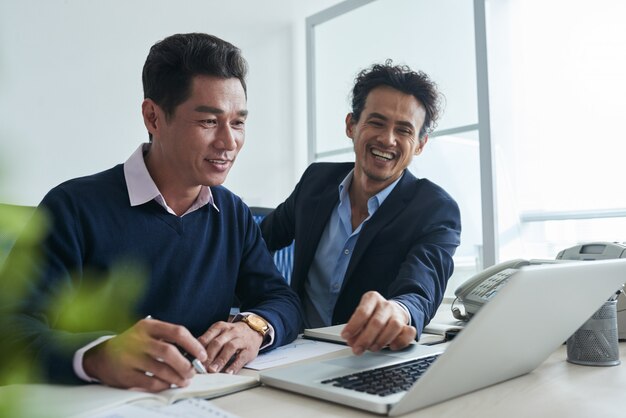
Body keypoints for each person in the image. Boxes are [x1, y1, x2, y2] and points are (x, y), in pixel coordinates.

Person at [1, 33, 302, 391]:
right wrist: (98, 356)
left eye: (238, 122)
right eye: (208, 121)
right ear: (153, 117)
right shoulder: (72, 208)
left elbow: (283, 300)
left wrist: (253, 328)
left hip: (207, 402)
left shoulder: (232, 213)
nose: (229, 141)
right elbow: (12, 330)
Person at [261, 61, 461, 355]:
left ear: (420, 144)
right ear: (351, 125)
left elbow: (421, 287)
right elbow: (255, 243)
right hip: (291, 350)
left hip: (364, 357)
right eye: (376, 122)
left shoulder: (435, 209)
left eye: (404, 130)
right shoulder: (315, 182)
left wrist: (399, 311)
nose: (387, 139)